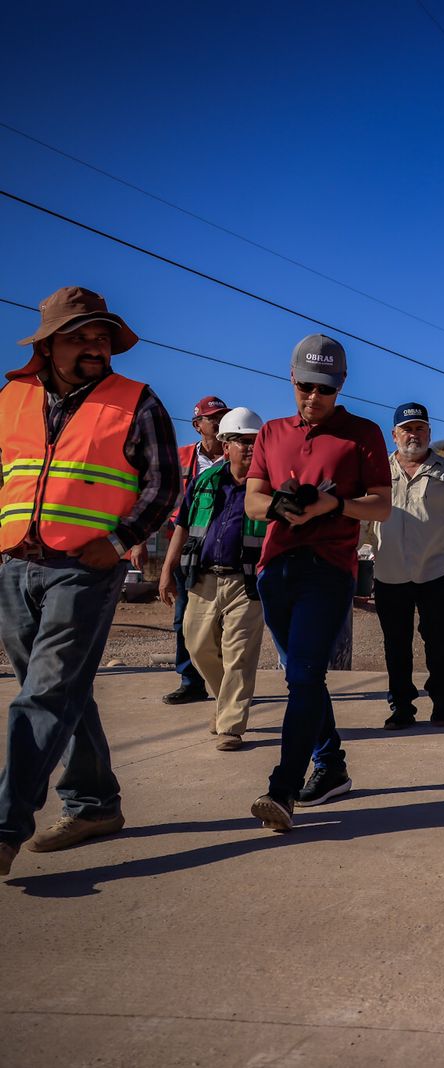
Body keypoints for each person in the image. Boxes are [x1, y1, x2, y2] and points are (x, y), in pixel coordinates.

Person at [0, 287, 180, 879]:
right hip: (15, 565)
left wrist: (121, 540)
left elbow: (162, 485)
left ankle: (5, 826)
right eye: (80, 336)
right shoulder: (12, 398)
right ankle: (95, 804)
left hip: (86, 567)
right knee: (55, 689)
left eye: (101, 337)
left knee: (45, 693)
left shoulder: (136, 401)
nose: (95, 346)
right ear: (48, 344)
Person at [244, 335, 391, 832]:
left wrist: (335, 505)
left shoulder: (363, 434)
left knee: (304, 675)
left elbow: (382, 505)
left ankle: (282, 788)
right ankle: (331, 767)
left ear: (340, 385)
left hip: (328, 570)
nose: (314, 397)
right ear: (292, 379)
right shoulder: (270, 433)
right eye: (306, 386)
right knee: (302, 676)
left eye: (324, 389)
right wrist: (279, 507)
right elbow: (252, 501)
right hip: (276, 571)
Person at [159, 407, 267, 751]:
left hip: (247, 581)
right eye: (241, 442)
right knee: (197, 645)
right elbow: (183, 524)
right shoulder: (206, 481)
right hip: (202, 579)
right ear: (225, 446)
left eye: (254, 442)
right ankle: (225, 706)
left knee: (239, 654)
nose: (248, 448)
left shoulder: (268, 486)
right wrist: (167, 568)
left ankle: (231, 727)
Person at [370, 402, 444, 729]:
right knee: (395, 645)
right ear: (394, 434)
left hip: (434, 572)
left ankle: (441, 701)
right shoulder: (377, 472)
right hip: (389, 572)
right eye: (407, 429)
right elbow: (362, 521)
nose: (413, 435)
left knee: (438, 642)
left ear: (429, 432)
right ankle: (401, 708)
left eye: (419, 429)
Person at [163, 394, 230, 705]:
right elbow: (161, 499)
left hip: (227, 548)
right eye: (211, 418)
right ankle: (190, 681)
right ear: (197, 425)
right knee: (184, 619)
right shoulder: (181, 458)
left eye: (222, 416)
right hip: (188, 549)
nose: (217, 423)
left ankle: (227, 685)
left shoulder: (236, 456)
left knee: (226, 621)